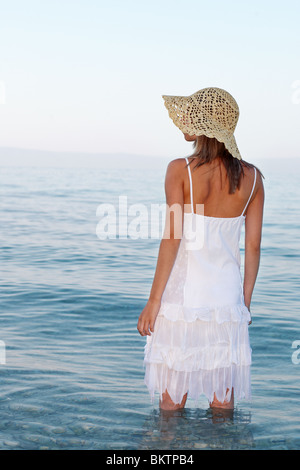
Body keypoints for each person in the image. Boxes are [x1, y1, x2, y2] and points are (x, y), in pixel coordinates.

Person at [137, 87, 264, 411]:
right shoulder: (253, 178)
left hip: (182, 300)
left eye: (192, 115)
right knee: (223, 405)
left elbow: (172, 237)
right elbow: (253, 246)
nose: (184, 121)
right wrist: (244, 302)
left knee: (171, 404)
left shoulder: (180, 170)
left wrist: (153, 301)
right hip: (226, 299)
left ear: (206, 125)